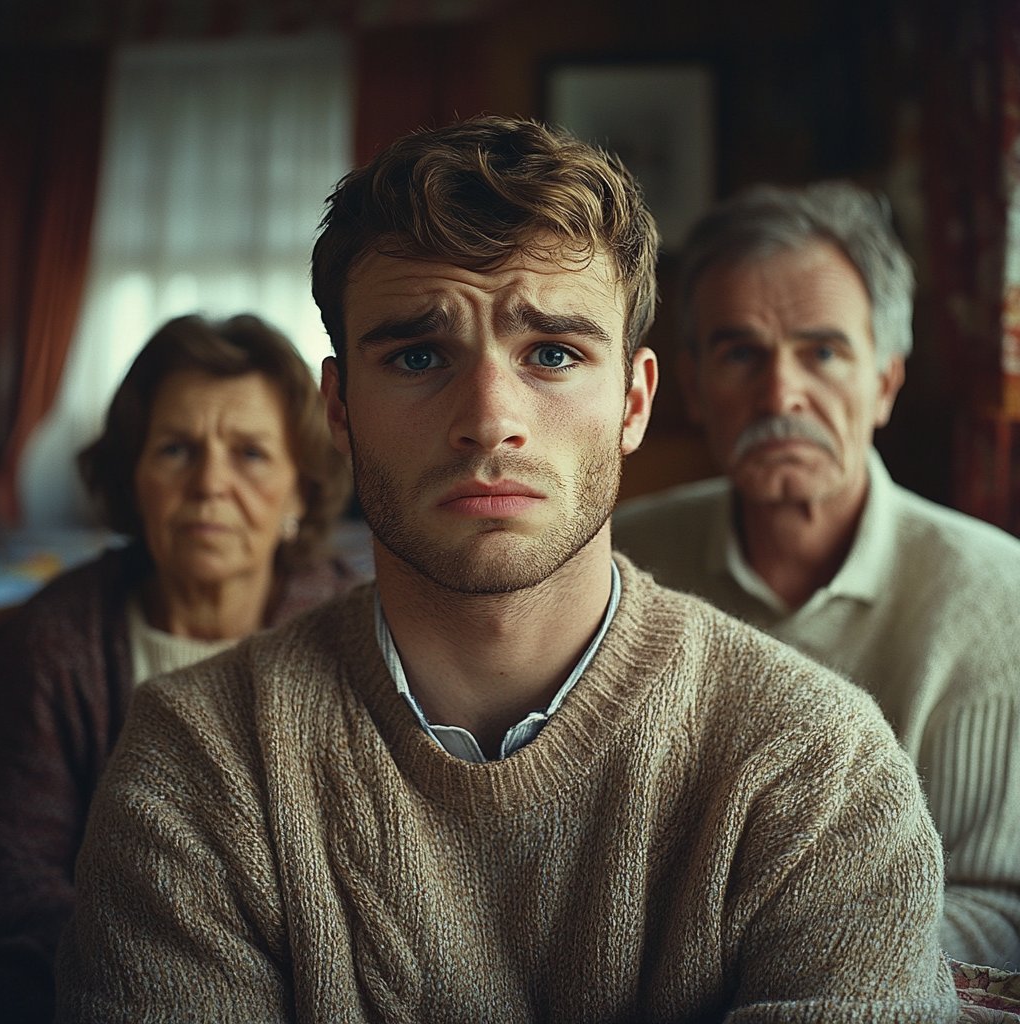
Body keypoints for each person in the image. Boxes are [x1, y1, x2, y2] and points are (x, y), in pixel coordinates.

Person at [54, 117, 958, 1022]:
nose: (490, 418)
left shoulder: (817, 771)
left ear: (634, 402)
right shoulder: (198, 761)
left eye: (554, 353)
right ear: (339, 411)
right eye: (417, 355)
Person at [613, 180, 1020, 968]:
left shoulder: (998, 600)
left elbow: (995, 909)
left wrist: (769, 960)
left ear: (885, 383)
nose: (781, 392)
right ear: (691, 387)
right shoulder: (624, 563)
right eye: (741, 353)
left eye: (824, 351)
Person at [0, 313, 359, 1023]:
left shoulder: (352, 636)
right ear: (133, 479)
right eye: (175, 449)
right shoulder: (53, 641)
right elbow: (19, 883)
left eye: (250, 454)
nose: (209, 484)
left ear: (301, 491)